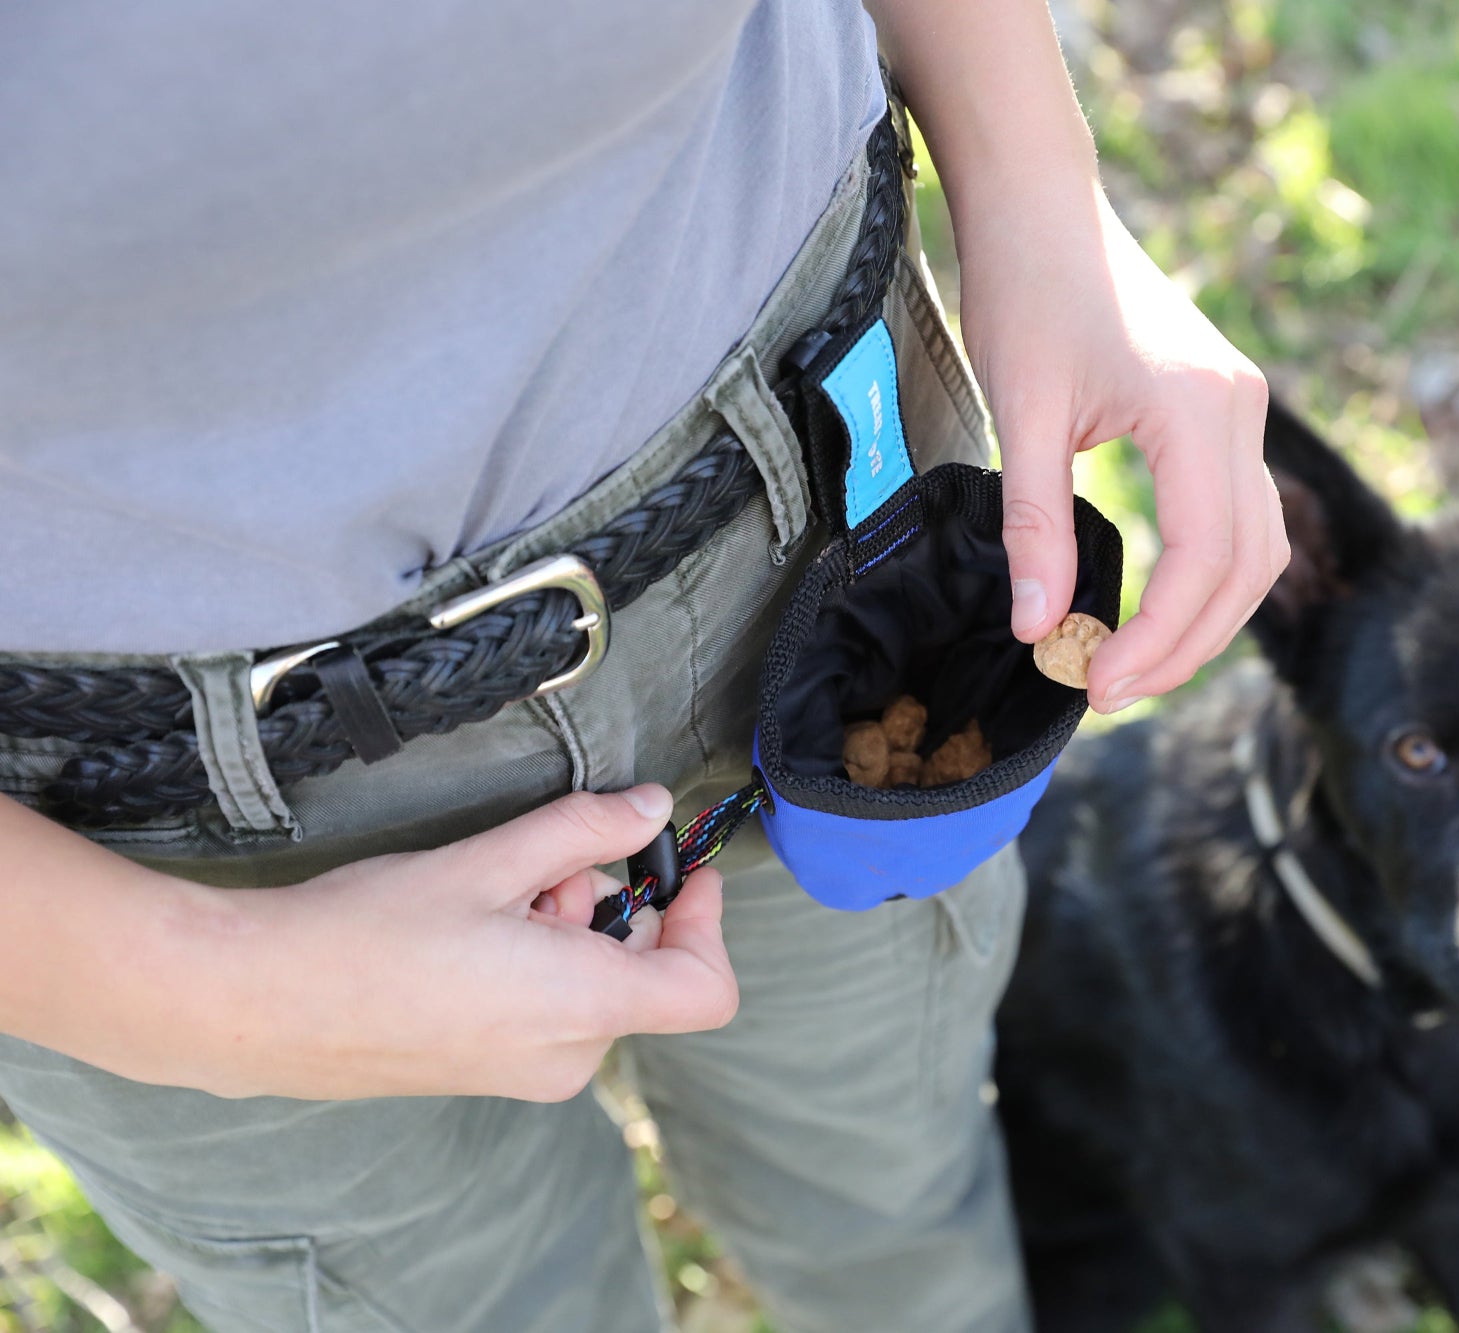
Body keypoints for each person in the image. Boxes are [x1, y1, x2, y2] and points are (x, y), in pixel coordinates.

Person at [0, 3, 1282, 1330]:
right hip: (161, 837)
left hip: (823, 513)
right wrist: (217, 989)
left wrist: (1032, 173)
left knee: (892, 1197)